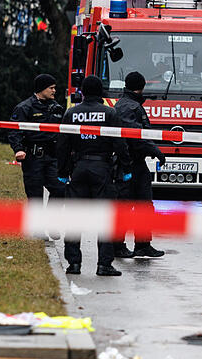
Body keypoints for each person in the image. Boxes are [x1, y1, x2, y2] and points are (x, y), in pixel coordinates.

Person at [57, 76, 132, 277]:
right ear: (101, 93)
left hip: (79, 168)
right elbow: (119, 143)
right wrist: (126, 168)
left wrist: (62, 172)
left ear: (82, 91)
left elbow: (63, 145)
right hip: (102, 169)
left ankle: (74, 264)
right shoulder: (110, 113)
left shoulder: (71, 113)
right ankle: (104, 264)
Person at [112, 71, 166, 259]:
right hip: (128, 163)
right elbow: (135, 137)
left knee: (143, 205)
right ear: (141, 87)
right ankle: (118, 246)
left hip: (135, 163)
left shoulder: (126, 104)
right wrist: (155, 151)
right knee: (126, 205)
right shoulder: (130, 107)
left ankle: (143, 245)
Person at [9, 74, 67, 201]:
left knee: (60, 190)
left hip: (52, 157)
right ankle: (38, 220)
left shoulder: (56, 108)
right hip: (33, 159)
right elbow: (14, 130)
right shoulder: (24, 108)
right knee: (35, 197)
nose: (54, 91)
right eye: (51, 88)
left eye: (54, 88)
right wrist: (18, 149)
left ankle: (51, 220)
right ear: (41, 89)